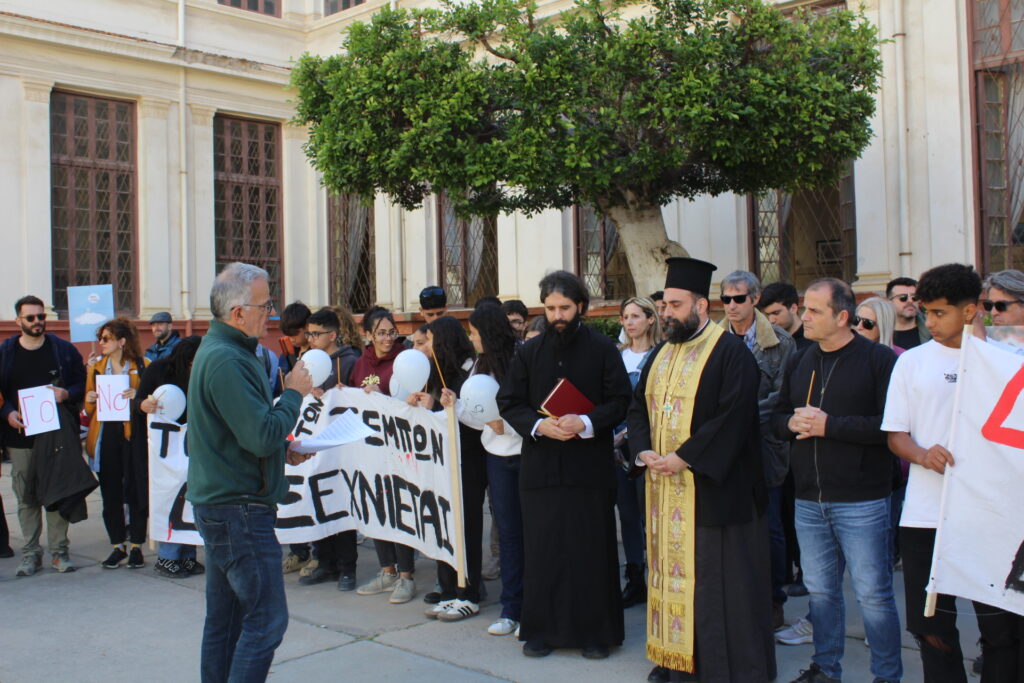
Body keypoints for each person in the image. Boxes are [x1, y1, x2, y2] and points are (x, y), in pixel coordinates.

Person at [628, 257, 774, 683]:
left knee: (715, 586)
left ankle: (721, 669)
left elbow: (734, 418)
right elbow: (637, 408)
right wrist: (643, 451)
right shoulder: (660, 353)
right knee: (669, 579)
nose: (666, 314)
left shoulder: (730, 353)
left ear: (700, 306)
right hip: (664, 489)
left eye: (675, 305)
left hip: (716, 495)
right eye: (664, 306)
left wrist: (685, 456)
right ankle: (674, 661)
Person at [883, 263, 1022, 683]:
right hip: (925, 515)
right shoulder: (911, 363)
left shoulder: (1007, 361)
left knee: (1002, 630)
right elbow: (896, 435)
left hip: (990, 516)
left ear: (969, 310)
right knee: (932, 630)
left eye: (939, 312)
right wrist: (923, 454)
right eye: (926, 312)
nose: (930, 322)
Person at [186, 262, 314, 682]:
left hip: (227, 504)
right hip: (237, 510)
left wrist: (282, 450)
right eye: (265, 306)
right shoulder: (227, 359)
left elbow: (243, 432)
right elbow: (259, 436)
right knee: (266, 621)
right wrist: (293, 394)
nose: (270, 315)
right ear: (239, 313)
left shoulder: (229, 352)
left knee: (226, 622)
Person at [772, 278, 902, 683]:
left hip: (862, 499)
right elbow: (776, 417)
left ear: (842, 316)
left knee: (873, 594)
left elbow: (891, 427)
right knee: (821, 592)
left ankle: (887, 676)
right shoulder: (800, 359)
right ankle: (825, 669)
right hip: (808, 498)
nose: (804, 316)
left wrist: (831, 426)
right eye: (804, 308)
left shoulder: (879, 359)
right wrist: (790, 424)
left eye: (814, 310)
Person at [497, 270, 632, 660]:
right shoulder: (528, 352)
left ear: (581, 307)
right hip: (541, 470)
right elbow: (509, 402)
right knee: (544, 551)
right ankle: (542, 631)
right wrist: (539, 425)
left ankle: (595, 634)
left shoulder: (603, 349)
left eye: (565, 308)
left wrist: (585, 421)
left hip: (588, 470)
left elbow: (621, 400)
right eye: (551, 308)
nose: (557, 316)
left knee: (590, 551)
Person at [719, 270, 795, 629]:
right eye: (726, 299)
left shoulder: (781, 342)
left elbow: (783, 396)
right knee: (731, 524)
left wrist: (740, 419)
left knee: (770, 526)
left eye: (739, 299)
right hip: (724, 447)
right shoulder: (714, 339)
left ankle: (774, 600)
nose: (731, 306)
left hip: (765, 445)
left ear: (755, 299)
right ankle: (738, 598)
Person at [0, 295, 86, 576]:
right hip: (20, 437)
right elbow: (1, 394)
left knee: (57, 492)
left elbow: (82, 382)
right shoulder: (6, 352)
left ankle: (59, 552)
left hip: (56, 436)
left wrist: (67, 394)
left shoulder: (63, 350)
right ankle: (31, 554)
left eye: (41, 316)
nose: (37, 322)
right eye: (31, 317)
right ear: (18, 321)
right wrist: (8, 413)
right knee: (26, 497)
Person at [462, 305, 524, 635]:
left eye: (474, 333)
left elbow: (533, 409)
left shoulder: (521, 358)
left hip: (527, 455)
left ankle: (534, 608)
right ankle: (511, 608)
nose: (472, 339)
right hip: (496, 459)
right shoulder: (478, 366)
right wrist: (453, 406)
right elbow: (473, 412)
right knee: (509, 534)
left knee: (533, 533)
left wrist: (508, 426)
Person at [418, 316, 484, 620]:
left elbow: (473, 417)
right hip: (441, 460)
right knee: (443, 522)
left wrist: (449, 406)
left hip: (468, 460)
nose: (426, 347)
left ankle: (468, 591)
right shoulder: (437, 372)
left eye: (430, 340)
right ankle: (448, 589)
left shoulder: (471, 372)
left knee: (466, 524)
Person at [350, 306, 417, 602]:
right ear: (368, 334)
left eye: (392, 332)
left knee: (400, 509)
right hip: (370, 450)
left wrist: (385, 398)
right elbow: (351, 399)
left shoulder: (406, 360)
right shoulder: (359, 364)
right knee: (377, 507)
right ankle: (387, 570)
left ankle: (406, 576)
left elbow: (410, 403)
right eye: (381, 333)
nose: (388, 338)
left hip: (401, 450)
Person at [298, 307, 362, 591]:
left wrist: (337, 393)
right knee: (318, 501)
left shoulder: (349, 361)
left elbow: (359, 394)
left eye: (316, 334)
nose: (311, 339)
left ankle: (347, 568)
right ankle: (324, 562)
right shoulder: (307, 360)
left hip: (342, 444)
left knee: (340, 505)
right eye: (309, 333)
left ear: (333, 335)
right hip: (316, 443)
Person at [135, 335, 204, 578]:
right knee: (169, 496)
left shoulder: (202, 372)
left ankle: (187, 556)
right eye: (193, 362)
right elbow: (139, 400)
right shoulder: (159, 369)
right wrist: (144, 405)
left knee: (191, 497)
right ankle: (168, 557)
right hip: (164, 446)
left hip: (193, 442)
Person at [85, 318, 150, 569]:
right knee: (110, 493)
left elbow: (153, 400)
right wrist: (90, 398)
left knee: (136, 491)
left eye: (106, 338)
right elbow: (88, 407)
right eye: (100, 338)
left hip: (133, 436)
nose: (101, 343)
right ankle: (117, 545)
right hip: (105, 435)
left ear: (122, 341)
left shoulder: (143, 366)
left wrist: (138, 397)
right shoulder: (96, 368)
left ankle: (136, 546)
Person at [615, 296, 662, 609]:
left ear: (650, 319)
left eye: (636, 316)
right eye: (625, 317)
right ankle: (635, 578)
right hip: (617, 450)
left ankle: (659, 575)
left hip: (649, 448)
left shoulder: (662, 355)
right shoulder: (616, 355)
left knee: (653, 515)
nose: (630, 322)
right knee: (628, 514)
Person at [276, 301, 315, 576]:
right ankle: (298, 550)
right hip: (293, 426)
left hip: (314, 427)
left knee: (314, 491)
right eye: (287, 335)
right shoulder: (286, 356)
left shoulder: (317, 355)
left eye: (296, 333)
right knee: (294, 491)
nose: (292, 339)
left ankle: (318, 552)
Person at [760, 281, 811, 351]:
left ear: (793, 309)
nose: (771, 320)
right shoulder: (769, 342)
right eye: (767, 314)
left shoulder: (812, 342)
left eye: (776, 313)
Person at [886, 277, 930, 350]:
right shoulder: (879, 331)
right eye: (903, 297)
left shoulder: (932, 328)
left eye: (914, 297)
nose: (910, 301)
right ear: (889, 302)